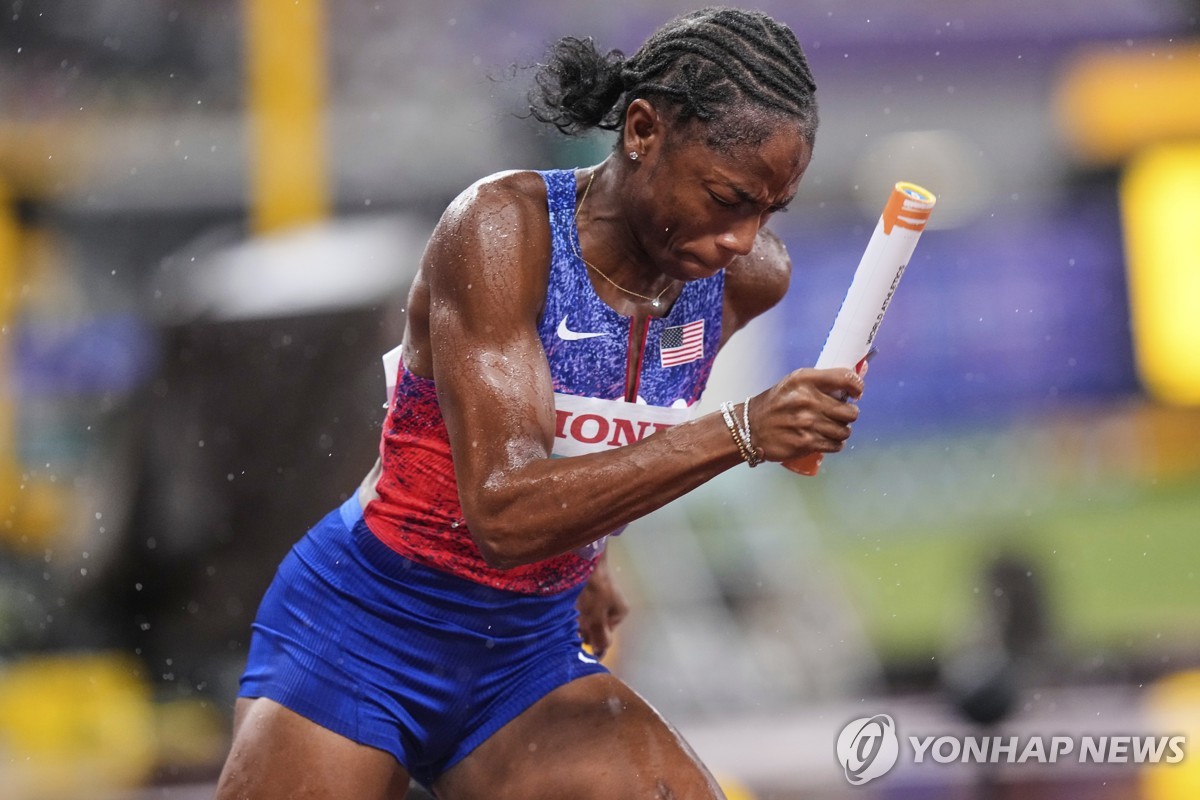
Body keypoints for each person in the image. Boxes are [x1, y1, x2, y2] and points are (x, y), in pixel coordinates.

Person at [214, 7, 865, 799]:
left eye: (769, 210)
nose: (742, 236)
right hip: (367, 629)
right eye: (727, 197)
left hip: (525, 651)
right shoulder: (501, 232)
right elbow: (502, 514)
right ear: (642, 130)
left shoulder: (744, 280)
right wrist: (739, 431)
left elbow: (599, 422)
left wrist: (591, 552)